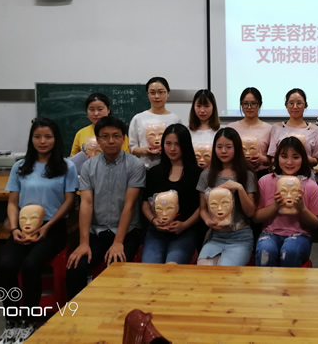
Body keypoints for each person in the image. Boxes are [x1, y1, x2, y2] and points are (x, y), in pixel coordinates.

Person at [0, 118, 78, 343]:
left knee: (31, 265)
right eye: (37, 137)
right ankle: (12, 320)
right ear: (31, 139)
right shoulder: (20, 166)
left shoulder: (67, 166)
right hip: (23, 227)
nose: (42, 141)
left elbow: (69, 201)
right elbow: (13, 202)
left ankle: (29, 319)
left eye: (48, 137)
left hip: (52, 228)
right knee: (6, 265)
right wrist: (14, 228)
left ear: (55, 139)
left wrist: (47, 227)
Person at [66, 116, 145, 299]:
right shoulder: (88, 166)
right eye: (105, 136)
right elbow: (86, 203)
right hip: (97, 232)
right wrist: (84, 243)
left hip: (126, 233)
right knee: (75, 269)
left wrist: (118, 242)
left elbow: (129, 205)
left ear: (123, 139)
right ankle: (76, 314)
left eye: (116, 136)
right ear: (98, 139)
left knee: (116, 269)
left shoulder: (136, 165)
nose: (111, 141)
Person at [253, 137, 318, 267]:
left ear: (303, 159)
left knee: (290, 250)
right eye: (284, 156)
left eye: (295, 157)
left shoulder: (310, 186)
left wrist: (302, 208)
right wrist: (276, 206)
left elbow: (315, 224)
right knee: (265, 250)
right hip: (270, 233)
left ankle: (289, 281)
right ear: (277, 158)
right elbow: (256, 218)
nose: (289, 162)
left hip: (300, 235)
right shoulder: (265, 181)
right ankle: (266, 281)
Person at [141, 124, 202, 264]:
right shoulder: (154, 172)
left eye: (177, 144)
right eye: (168, 143)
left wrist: (184, 225)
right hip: (156, 232)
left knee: (172, 266)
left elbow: (202, 207)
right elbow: (145, 202)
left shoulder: (196, 173)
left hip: (185, 232)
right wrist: (153, 220)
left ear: (186, 145)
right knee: (150, 267)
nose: (172, 148)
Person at [197, 128, 257, 266]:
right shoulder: (206, 175)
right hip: (215, 236)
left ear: (237, 148)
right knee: (203, 269)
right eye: (219, 147)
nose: (223, 151)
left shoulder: (247, 174)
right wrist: (207, 220)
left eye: (228, 147)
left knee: (226, 270)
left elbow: (250, 212)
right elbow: (203, 209)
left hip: (240, 236)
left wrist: (240, 188)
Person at [129, 77, 181, 168]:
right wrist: (145, 150)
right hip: (144, 169)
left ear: (168, 93)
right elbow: (132, 148)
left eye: (161, 92)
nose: (156, 96)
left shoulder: (175, 119)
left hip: (169, 168)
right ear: (147, 94)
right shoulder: (138, 118)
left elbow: (180, 145)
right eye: (152, 93)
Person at [267, 88, 318, 173]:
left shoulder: (315, 129)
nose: (295, 107)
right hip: (282, 175)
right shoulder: (277, 128)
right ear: (286, 105)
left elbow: (316, 160)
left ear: (305, 105)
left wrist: (302, 158)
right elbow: (272, 158)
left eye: (299, 103)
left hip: (306, 175)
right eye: (291, 103)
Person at [227, 87, 272, 177]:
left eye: (253, 103)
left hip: (261, 175)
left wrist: (262, 159)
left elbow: (274, 159)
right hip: (236, 174)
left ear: (260, 105)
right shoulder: (231, 128)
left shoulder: (269, 129)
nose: (249, 107)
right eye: (245, 104)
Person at [70, 92, 130, 157]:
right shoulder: (81, 133)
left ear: (108, 110)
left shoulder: (118, 133)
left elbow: (126, 158)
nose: (96, 113)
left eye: (100, 109)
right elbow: (73, 159)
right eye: (91, 109)